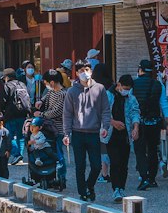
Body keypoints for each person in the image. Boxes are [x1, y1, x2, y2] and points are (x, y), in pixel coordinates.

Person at [61, 59, 111, 201]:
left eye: (87, 70)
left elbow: (105, 110)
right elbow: (67, 114)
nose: (85, 73)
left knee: (96, 165)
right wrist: (67, 133)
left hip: (94, 132)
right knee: (80, 166)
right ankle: (82, 192)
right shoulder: (71, 91)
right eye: (81, 70)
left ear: (91, 71)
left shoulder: (100, 88)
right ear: (76, 73)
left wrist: (105, 126)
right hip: (77, 133)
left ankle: (90, 185)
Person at [133, 58, 168, 190]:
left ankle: (143, 177)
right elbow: (164, 105)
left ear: (140, 70)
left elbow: (130, 104)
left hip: (138, 122)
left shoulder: (134, 84)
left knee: (140, 150)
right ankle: (152, 178)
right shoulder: (158, 85)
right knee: (153, 150)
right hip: (154, 122)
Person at [107, 74, 136, 199]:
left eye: (128, 89)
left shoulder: (131, 98)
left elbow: (135, 112)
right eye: (125, 88)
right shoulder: (108, 95)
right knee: (115, 161)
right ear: (118, 85)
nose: (126, 91)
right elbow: (101, 112)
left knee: (124, 163)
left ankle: (121, 188)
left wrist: (136, 127)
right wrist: (113, 122)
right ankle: (116, 188)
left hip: (125, 134)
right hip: (111, 134)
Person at [39, 71, 68, 189]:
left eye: (46, 82)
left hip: (59, 129)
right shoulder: (52, 92)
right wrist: (40, 101)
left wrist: (41, 114)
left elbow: (56, 111)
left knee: (59, 154)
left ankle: (62, 177)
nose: (45, 85)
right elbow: (45, 99)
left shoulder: (63, 94)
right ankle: (50, 176)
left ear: (52, 82)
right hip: (49, 128)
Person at [0, 68, 31, 161]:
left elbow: (3, 101)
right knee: (20, 136)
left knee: (9, 135)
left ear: (7, 77)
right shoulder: (22, 84)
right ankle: (20, 156)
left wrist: (2, 112)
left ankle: (16, 154)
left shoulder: (7, 86)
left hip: (11, 114)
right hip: (23, 113)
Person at [26, 113, 59, 188]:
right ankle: (38, 160)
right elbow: (30, 144)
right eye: (31, 127)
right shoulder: (31, 135)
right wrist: (30, 146)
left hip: (44, 146)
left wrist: (34, 142)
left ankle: (57, 160)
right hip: (37, 148)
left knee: (50, 152)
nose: (32, 128)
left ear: (40, 128)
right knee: (34, 152)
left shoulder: (40, 134)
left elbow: (43, 140)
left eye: (34, 127)